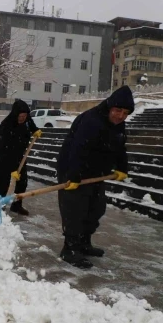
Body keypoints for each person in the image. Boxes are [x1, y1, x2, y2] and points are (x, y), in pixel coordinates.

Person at [56, 85, 133, 269]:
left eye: (125, 112)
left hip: (96, 174)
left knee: (95, 209)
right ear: (109, 107)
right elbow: (78, 149)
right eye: (118, 111)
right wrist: (73, 176)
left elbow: (120, 147)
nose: (121, 116)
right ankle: (70, 249)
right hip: (74, 171)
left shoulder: (118, 125)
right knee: (75, 211)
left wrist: (122, 167)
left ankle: (84, 243)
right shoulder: (91, 120)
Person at [0, 99, 42, 215]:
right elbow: (4, 149)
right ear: (15, 115)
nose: (23, 118)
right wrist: (12, 169)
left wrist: (35, 130)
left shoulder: (27, 120)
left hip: (19, 156)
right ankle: (0, 206)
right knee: (4, 183)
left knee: (22, 182)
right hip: (4, 157)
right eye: (20, 116)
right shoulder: (6, 126)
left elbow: (30, 123)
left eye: (24, 116)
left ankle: (16, 206)